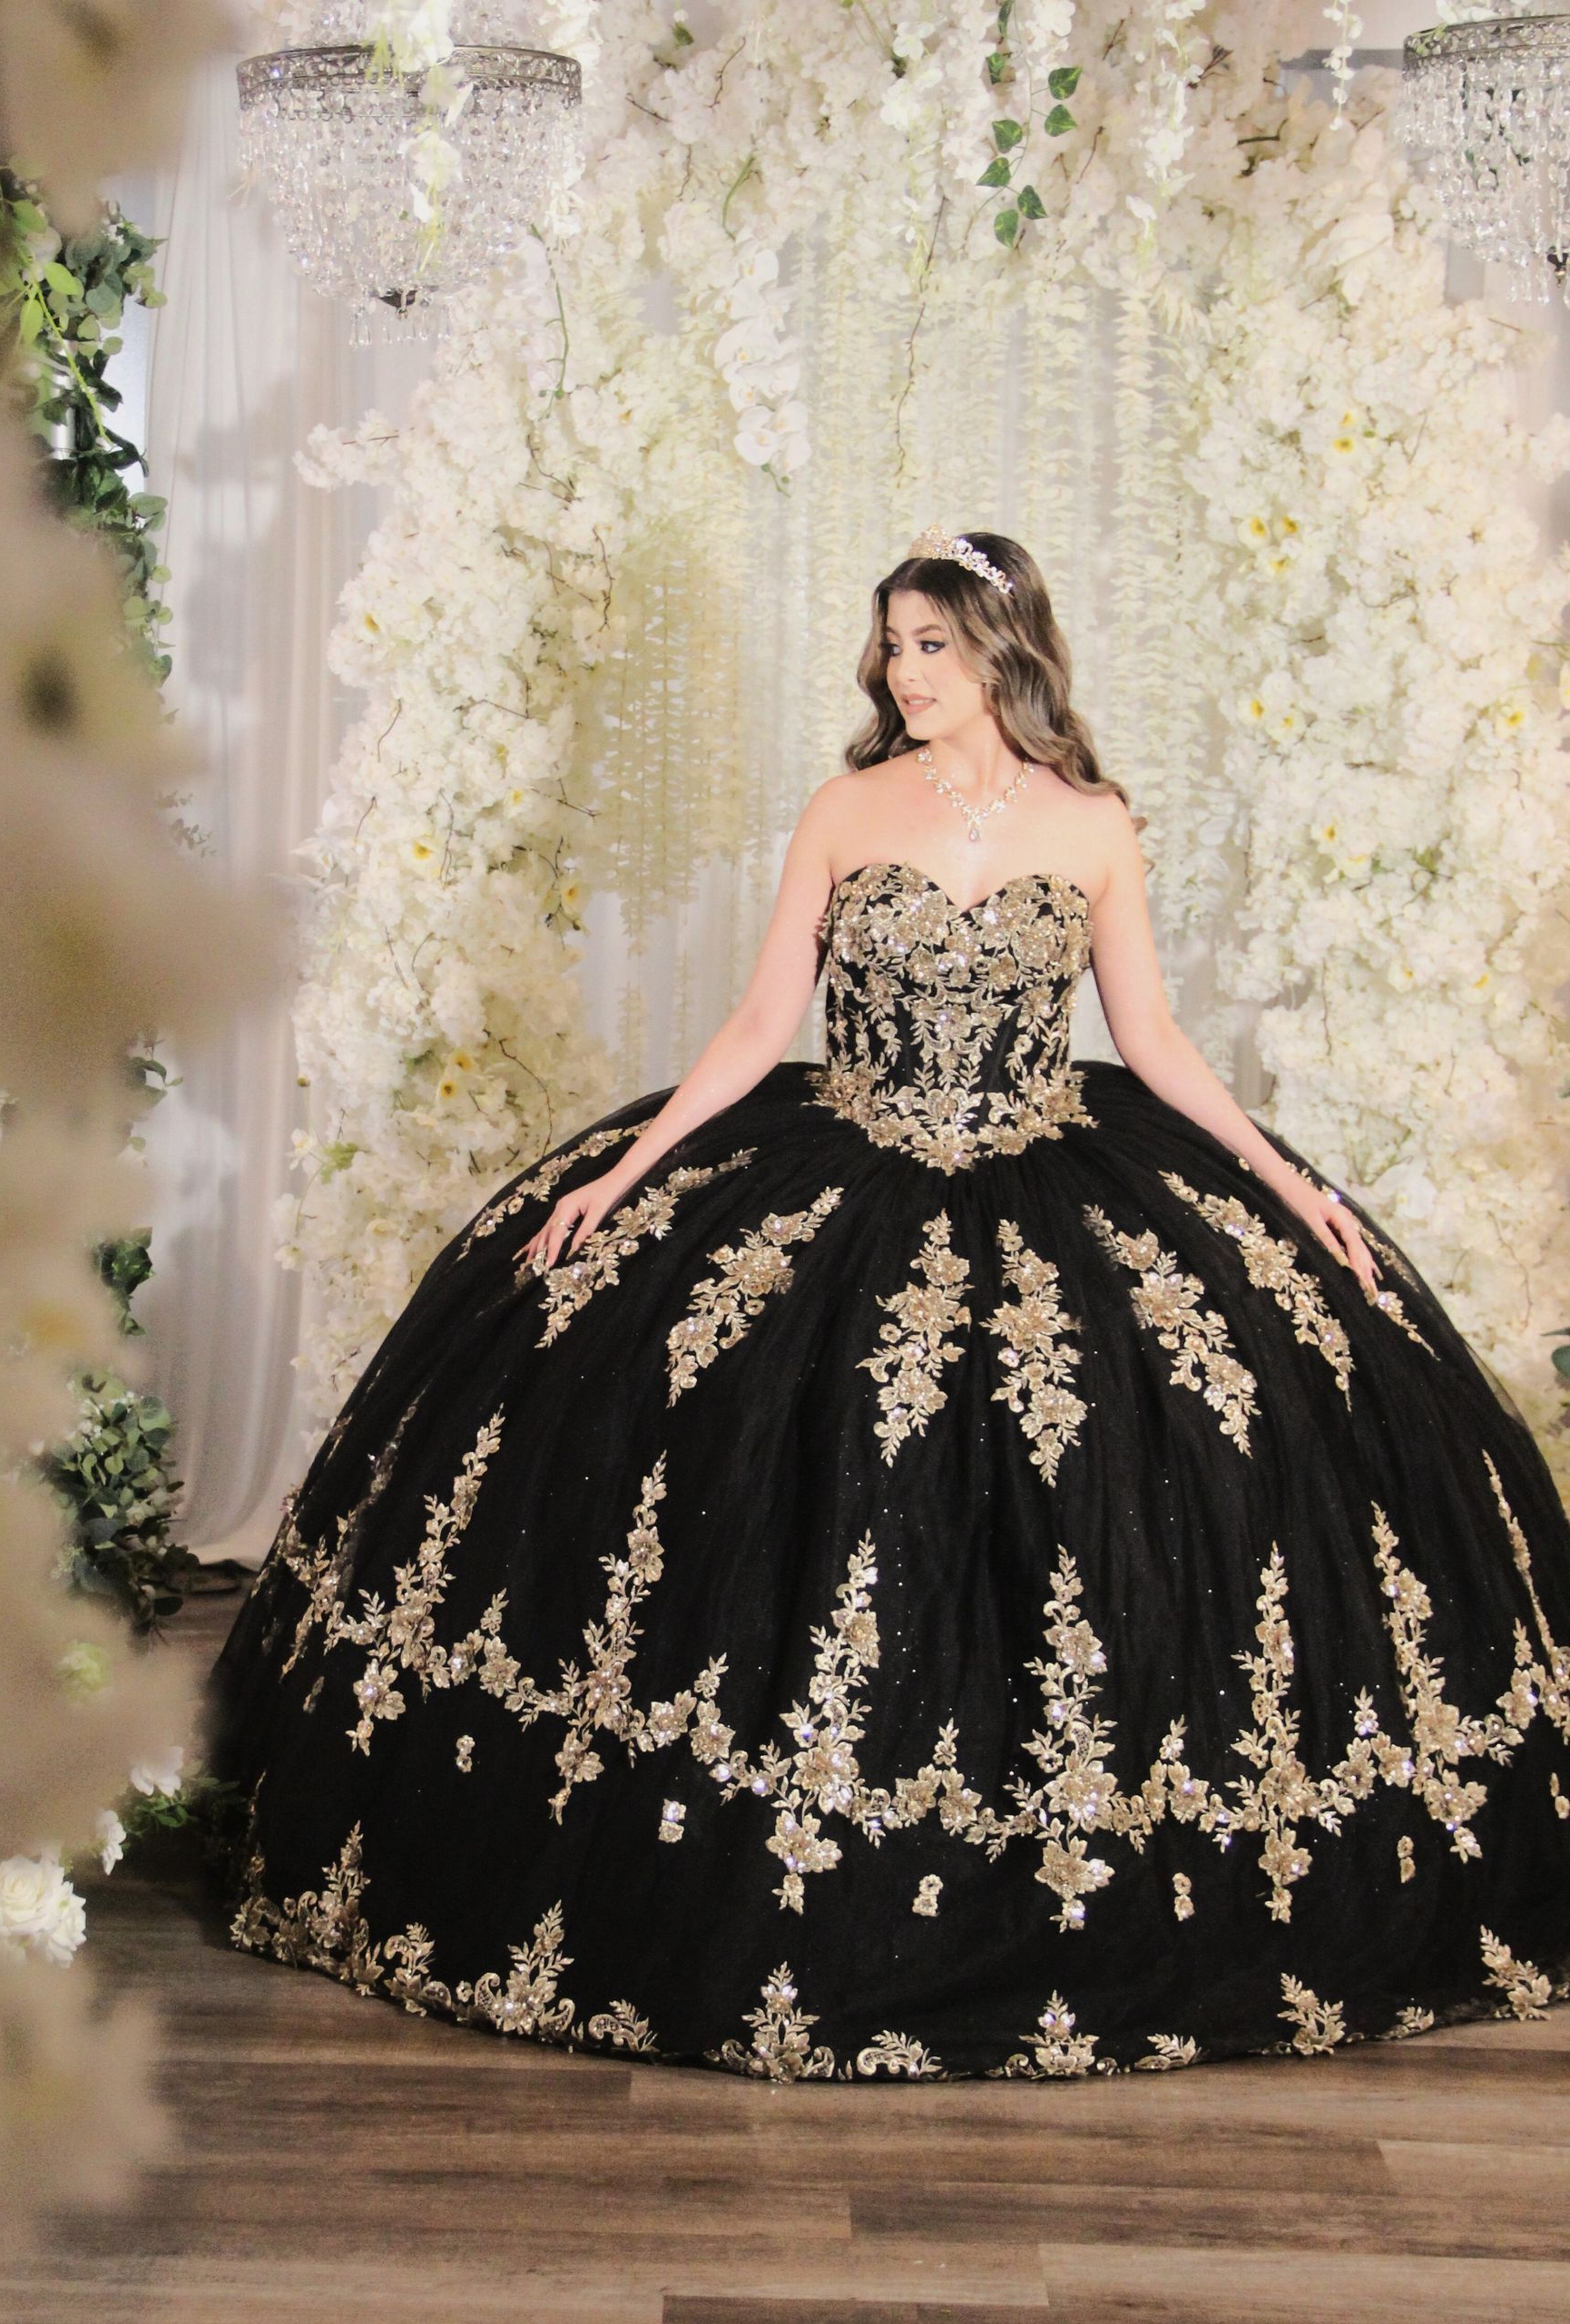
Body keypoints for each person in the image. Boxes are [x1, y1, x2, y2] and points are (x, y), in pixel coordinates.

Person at [208, 526, 1570, 2082]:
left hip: (1057, 1165)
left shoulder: (1098, 825)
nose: (903, 673)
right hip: (843, 1157)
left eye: (931, 644)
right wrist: (625, 1175)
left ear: (1005, 649)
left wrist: (1286, 1182)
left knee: (1122, 1480)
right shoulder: (846, 809)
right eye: (893, 647)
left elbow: (1159, 1041)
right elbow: (753, 1021)